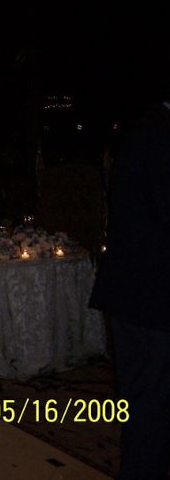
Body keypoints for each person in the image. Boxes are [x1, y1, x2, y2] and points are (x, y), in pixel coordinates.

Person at [89, 100, 170, 479]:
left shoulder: (142, 130)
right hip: (151, 291)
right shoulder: (159, 135)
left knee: (143, 397)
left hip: (133, 287)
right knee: (151, 401)